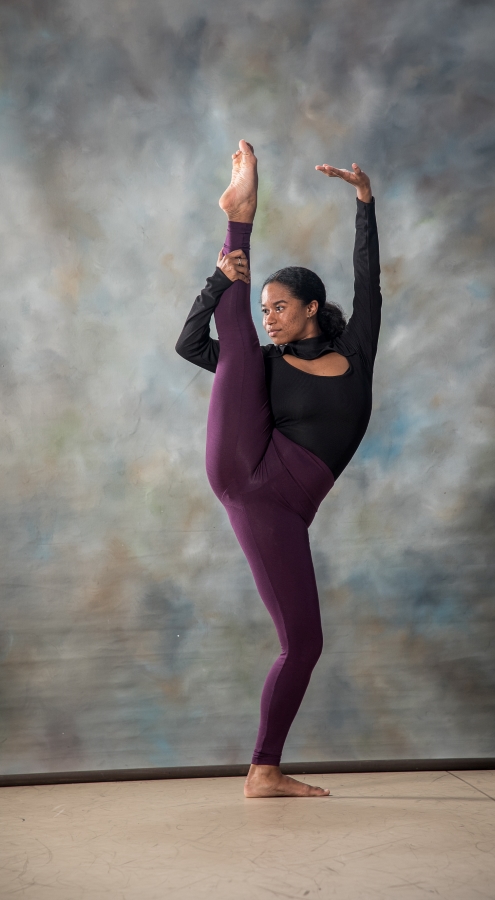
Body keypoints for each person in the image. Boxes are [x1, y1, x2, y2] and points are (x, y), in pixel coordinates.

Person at [175, 140, 381, 797]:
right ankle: (240, 218)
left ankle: (264, 769)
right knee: (237, 349)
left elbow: (369, 282)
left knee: (304, 643)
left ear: (312, 307)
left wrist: (364, 203)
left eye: (280, 308)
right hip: (247, 471)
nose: (271, 318)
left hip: (284, 507)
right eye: (264, 308)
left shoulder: (356, 350)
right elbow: (191, 344)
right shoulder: (262, 360)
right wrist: (220, 281)